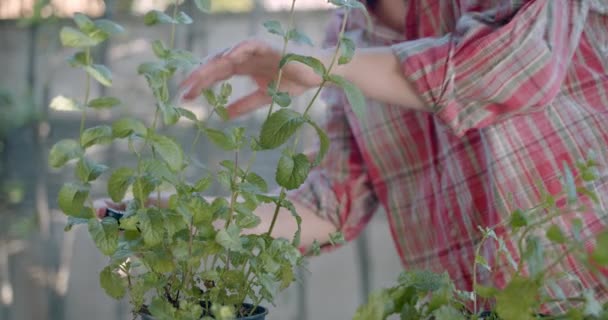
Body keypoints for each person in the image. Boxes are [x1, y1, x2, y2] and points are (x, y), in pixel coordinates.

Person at [96, 0, 608, 312]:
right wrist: (196, 216)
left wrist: (321, 66)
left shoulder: (333, 56)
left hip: (590, 290)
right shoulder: (346, 35)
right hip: (464, 310)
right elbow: (333, 207)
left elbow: (521, 67)